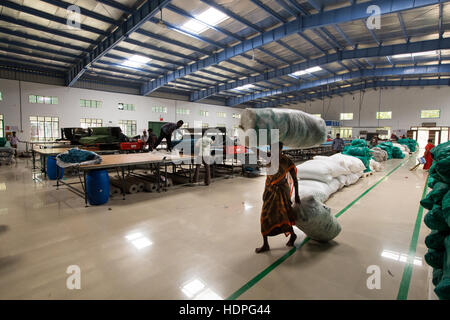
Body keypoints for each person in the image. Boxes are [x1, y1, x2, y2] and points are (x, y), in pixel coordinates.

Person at [256, 142, 300, 254]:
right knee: (265, 217)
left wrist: (297, 195)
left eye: (277, 149)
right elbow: (256, 150)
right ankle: (265, 244)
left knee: (283, 215)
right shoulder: (268, 156)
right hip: (269, 190)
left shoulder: (286, 160)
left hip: (281, 191)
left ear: (281, 149)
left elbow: (294, 179)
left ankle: (293, 235)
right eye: (272, 148)